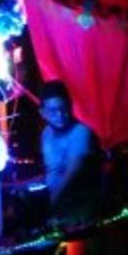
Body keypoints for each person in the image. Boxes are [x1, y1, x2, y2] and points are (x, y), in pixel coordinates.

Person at [39, 80, 103, 227]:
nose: (60, 115)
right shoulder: (46, 134)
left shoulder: (81, 131)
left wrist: (49, 204)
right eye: (53, 111)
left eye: (64, 108)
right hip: (57, 205)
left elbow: (71, 173)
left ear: (70, 106)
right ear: (43, 113)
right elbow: (51, 171)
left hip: (79, 208)